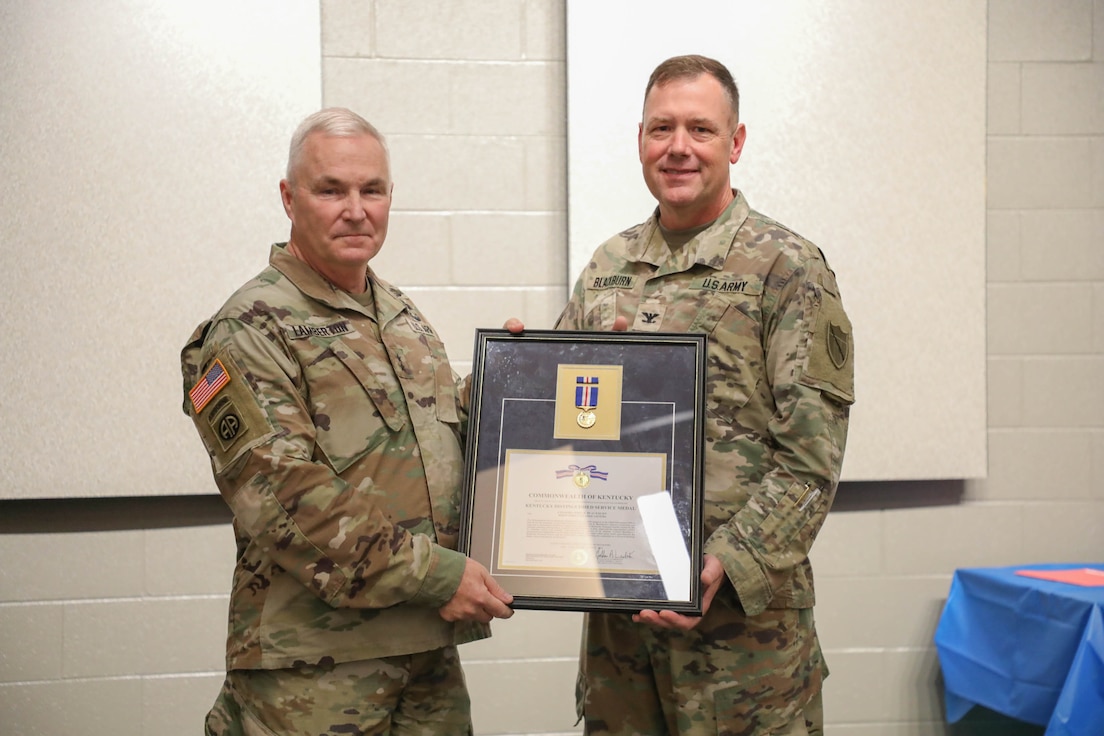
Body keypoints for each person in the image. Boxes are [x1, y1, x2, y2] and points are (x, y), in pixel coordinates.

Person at [179, 107, 514, 736]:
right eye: (331, 189)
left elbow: (445, 439)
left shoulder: (398, 314)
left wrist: (523, 383)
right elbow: (286, 499)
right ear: (288, 197)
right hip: (314, 671)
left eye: (372, 190)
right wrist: (439, 575)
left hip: (425, 652)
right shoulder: (250, 327)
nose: (355, 209)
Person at [556, 55, 855, 735]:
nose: (679, 147)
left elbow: (812, 461)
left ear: (736, 142)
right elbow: (564, 423)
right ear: (640, 140)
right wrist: (516, 378)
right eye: (662, 128)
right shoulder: (607, 268)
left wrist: (727, 562)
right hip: (622, 639)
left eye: (701, 129)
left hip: (742, 646)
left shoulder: (786, 268)